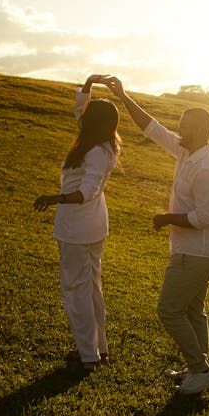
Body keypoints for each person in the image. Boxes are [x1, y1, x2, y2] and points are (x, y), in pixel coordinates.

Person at [103, 75, 209, 395]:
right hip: (190, 251)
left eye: (183, 125)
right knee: (193, 311)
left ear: (197, 130)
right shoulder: (186, 151)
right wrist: (124, 97)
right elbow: (152, 128)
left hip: (197, 252)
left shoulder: (208, 169)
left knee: (169, 310)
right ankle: (195, 365)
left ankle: (200, 370)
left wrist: (166, 217)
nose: (177, 129)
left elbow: (204, 218)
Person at [33, 74, 120, 371]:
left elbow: (87, 192)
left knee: (75, 290)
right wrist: (89, 82)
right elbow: (79, 109)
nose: (81, 117)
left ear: (93, 123)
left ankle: (89, 356)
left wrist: (52, 197)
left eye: (88, 115)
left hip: (80, 227)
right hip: (91, 227)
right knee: (92, 287)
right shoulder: (100, 141)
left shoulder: (96, 151)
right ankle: (98, 349)